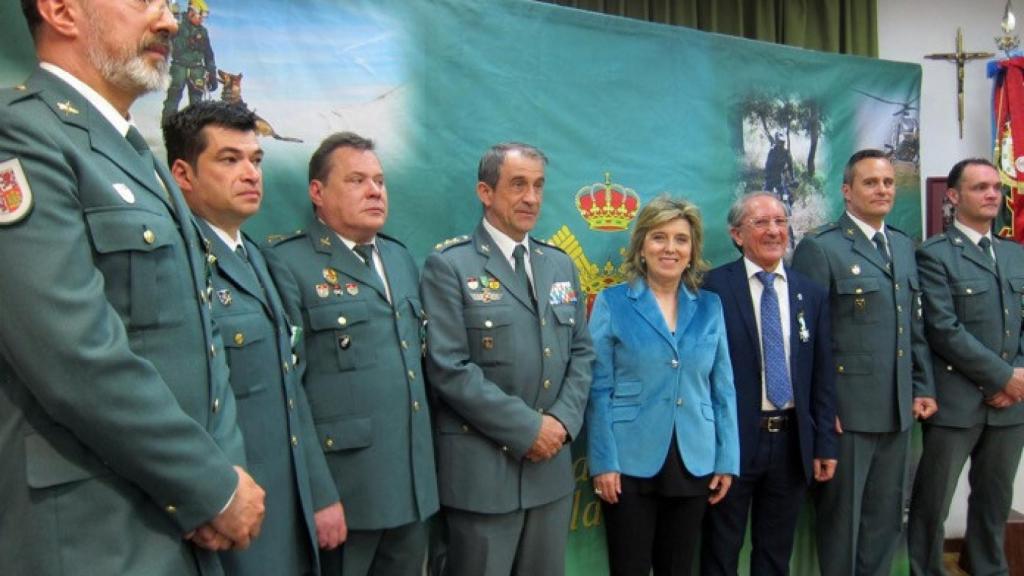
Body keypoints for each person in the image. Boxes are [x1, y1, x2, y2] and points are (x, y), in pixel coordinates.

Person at [0, 2, 265, 574]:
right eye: (142, 0)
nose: (168, 21)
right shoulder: (21, 132)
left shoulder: (137, 158)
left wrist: (222, 474)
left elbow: (201, 336)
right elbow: (71, 355)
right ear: (61, 10)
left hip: (184, 523)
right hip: (96, 530)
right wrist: (211, 485)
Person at [164, 100, 347, 575]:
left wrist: (320, 494)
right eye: (229, 159)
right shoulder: (175, 265)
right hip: (221, 515)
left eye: (256, 160)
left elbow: (292, 394)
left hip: (281, 508)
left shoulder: (262, 262)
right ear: (183, 174)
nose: (250, 173)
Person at [265, 131, 438, 576]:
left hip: (410, 489)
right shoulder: (287, 264)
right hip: (345, 495)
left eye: (379, 180)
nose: (375, 190)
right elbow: (287, 393)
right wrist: (319, 494)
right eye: (357, 180)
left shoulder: (399, 259)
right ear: (317, 193)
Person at [420, 142, 594, 576]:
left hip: (550, 475)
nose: (531, 198)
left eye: (538, 186)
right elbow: (449, 367)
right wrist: (528, 428)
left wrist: (561, 424)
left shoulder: (559, 265)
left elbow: (582, 351)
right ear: (485, 191)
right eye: (518, 185)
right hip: (483, 479)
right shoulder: (450, 265)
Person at [791, 149, 936, 576]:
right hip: (847, 413)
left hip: (897, 409)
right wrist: (823, 410)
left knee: (886, 522)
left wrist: (923, 384)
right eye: (871, 182)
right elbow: (807, 341)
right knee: (841, 524)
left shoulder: (905, 246)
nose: (883, 190)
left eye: (889, 182)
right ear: (847, 191)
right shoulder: (822, 248)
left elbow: (914, 325)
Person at [586, 195, 739, 575]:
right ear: (641, 247)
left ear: (692, 251)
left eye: (681, 239)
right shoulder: (612, 302)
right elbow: (597, 389)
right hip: (628, 462)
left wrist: (727, 459)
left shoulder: (710, 307)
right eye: (659, 237)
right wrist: (603, 461)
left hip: (694, 458)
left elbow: (724, 389)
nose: (670, 248)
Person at [700, 192, 837, 576]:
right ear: (737, 234)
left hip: (792, 442)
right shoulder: (711, 289)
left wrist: (824, 441)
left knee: (776, 554)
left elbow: (822, 376)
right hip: (732, 443)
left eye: (780, 221)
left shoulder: (810, 293)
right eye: (761, 222)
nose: (774, 230)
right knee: (720, 550)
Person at [908, 158, 1024, 576]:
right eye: (980, 188)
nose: (992, 194)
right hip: (956, 402)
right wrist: (1002, 376)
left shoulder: (1015, 255)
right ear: (954, 197)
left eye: (996, 187)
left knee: (994, 503)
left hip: (1010, 406)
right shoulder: (934, 255)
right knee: (932, 505)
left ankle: (989, 569)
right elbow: (942, 329)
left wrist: (1018, 379)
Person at [162, 0, 217, 123]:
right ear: (191, 12)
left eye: (204, 17)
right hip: (179, 67)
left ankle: (195, 133)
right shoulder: (177, 24)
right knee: (173, 99)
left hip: (197, 70)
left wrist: (212, 72)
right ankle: (167, 128)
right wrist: (189, 42)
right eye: (200, 16)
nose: (202, 20)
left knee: (197, 104)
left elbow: (208, 53)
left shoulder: (203, 32)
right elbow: (170, 43)